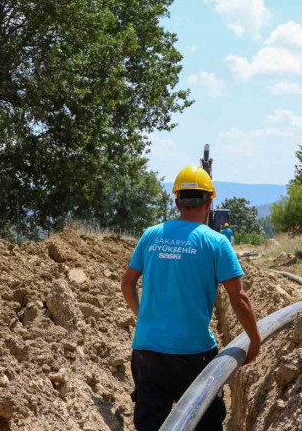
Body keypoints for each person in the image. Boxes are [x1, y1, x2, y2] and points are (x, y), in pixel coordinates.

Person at [121, 165, 262, 431]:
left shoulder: (151, 235)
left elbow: (128, 284)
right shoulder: (216, 242)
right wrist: (254, 340)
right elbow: (238, 298)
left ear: (176, 202)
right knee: (205, 424)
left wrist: (143, 318)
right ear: (210, 201)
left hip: (147, 352)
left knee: (150, 424)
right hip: (193, 355)